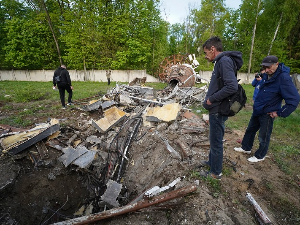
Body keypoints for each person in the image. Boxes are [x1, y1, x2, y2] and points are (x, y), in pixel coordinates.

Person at [234, 55, 300, 162]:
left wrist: (280, 112)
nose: (267, 70)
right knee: (250, 130)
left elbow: (294, 99)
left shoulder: (283, 78)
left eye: (269, 67)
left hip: (268, 112)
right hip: (258, 109)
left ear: (277, 64)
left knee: (263, 136)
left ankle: (260, 155)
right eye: (265, 67)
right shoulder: (266, 74)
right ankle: (246, 147)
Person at [199, 36, 243, 180]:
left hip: (218, 109)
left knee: (216, 142)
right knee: (214, 139)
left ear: (213, 49)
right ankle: (212, 163)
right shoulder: (221, 61)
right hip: (216, 109)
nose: (206, 57)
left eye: (206, 53)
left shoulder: (224, 61)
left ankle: (215, 173)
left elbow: (232, 86)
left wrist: (212, 99)